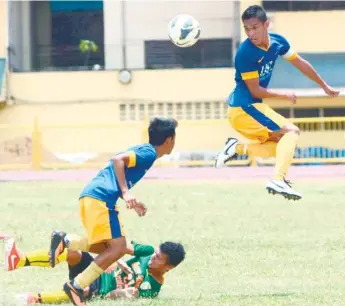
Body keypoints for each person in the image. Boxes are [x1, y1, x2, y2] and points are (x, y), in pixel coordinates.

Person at [215, 5, 340, 200]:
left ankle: (237, 149)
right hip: (243, 107)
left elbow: (300, 63)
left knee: (285, 146)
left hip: (250, 107)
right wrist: (283, 95)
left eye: (255, 27)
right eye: (246, 28)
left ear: (267, 24)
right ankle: (278, 179)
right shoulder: (245, 53)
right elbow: (255, 90)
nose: (250, 33)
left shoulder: (278, 42)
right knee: (292, 131)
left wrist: (324, 85)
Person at [48, 117, 178, 305]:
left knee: (111, 249)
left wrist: (131, 199)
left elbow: (118, 169)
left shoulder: (145, 151)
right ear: (169, 140)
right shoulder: (149, 153)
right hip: (101, 198)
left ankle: (66, 240)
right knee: (118, 247)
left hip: (92, 196)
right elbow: (118, 160)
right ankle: (76, 285)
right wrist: (125, 193)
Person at [5, 238, 185, 304]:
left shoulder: (152, 288)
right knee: (74, 253)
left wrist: (123, 293)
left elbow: (111, 297)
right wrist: (117, 260)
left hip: (99, 289)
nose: (154, 257)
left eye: (159, 258)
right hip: (98, 269)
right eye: (156, 253)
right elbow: (120, 248)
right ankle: (20, 260)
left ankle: (35, 298)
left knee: (81, 290)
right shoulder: (147, 254)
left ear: (168, 267)